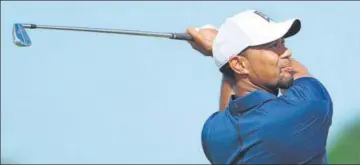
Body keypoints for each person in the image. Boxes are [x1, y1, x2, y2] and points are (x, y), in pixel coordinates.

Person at [186, 10, 333, 164]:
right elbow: (298, 73)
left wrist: (221, 51)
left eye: (283, 43)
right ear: (240, 64)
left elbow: (229, 114)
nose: (287, 52)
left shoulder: (212, 132)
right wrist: (217, 49)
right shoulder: (306, 106)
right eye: (273, 46)